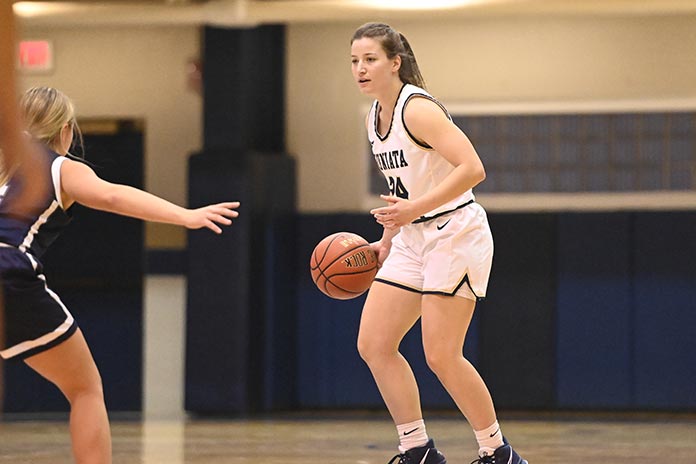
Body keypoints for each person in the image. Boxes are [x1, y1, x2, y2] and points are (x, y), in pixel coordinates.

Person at [0, 86, 240, 464]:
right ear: (65, 131)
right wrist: (186, 215)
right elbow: (111, 196)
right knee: (85, 389)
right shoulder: (56, 165)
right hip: (8, 271)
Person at [350, 23, 528, 464]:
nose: (360, 68)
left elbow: (472, 168)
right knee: (374, 344)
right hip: (413, 237)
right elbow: (404, 189)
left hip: (455, 232)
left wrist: (412, 212)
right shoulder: (375, 117)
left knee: (441, 355)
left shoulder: (418, 109)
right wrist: (389, 236)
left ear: (395, 62)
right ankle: (416, 450)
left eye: (370, 59)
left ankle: (497, 452)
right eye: (354, 61)